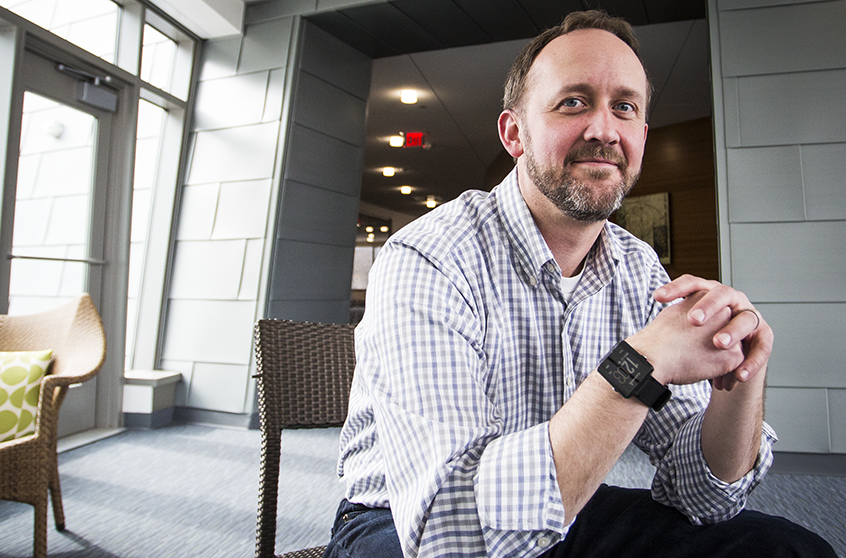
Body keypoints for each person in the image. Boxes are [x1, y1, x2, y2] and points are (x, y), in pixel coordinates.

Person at [322, 10, 837, 558]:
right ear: (514, 133)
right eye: (573, 102)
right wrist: (639, 364)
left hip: (567, 507)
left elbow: (704, 496)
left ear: (641, 133)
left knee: (788, 550)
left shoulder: (639, 272)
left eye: (625, 107)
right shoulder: (430, 257)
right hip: (398, 523)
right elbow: (450, 533)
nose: (604, 130)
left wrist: (742, 378)